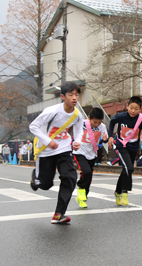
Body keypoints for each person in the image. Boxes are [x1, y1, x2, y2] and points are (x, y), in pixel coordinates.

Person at [29, 81, 84, 224]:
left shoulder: (77, 114)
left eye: (76, 95)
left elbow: (79, 130)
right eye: (71, 95)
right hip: (45, 150)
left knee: (70, 176)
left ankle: (59, 213)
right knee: (46, 185)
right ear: (62, 96)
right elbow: (33, 126)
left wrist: (77, 141)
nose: (74, 98)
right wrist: (48, 142)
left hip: (63, 149)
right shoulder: (52, 111)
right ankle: (36, 177)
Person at [108, 96, 142, 206]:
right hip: (122, 145)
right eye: (131, 108)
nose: (133, 111)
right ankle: (125, 192)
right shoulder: (121, 116)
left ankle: (117, 191)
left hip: (133, 147)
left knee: (126, 169)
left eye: (136, 109)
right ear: (127, 106)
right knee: (129, 168)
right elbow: (112, 123)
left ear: (140, 109)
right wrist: (110, 136)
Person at [72, 108, 108, 208]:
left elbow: (105, 138)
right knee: (86, 171)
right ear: (89, 118)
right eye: (95, 122)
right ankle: (80, 187)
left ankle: (83, 197)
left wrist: (105, 140)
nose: (97, 124)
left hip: (92, 153)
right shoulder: (81, 123)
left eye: (99, 122)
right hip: (79, 152)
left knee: (89, 176)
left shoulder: (102, 126)